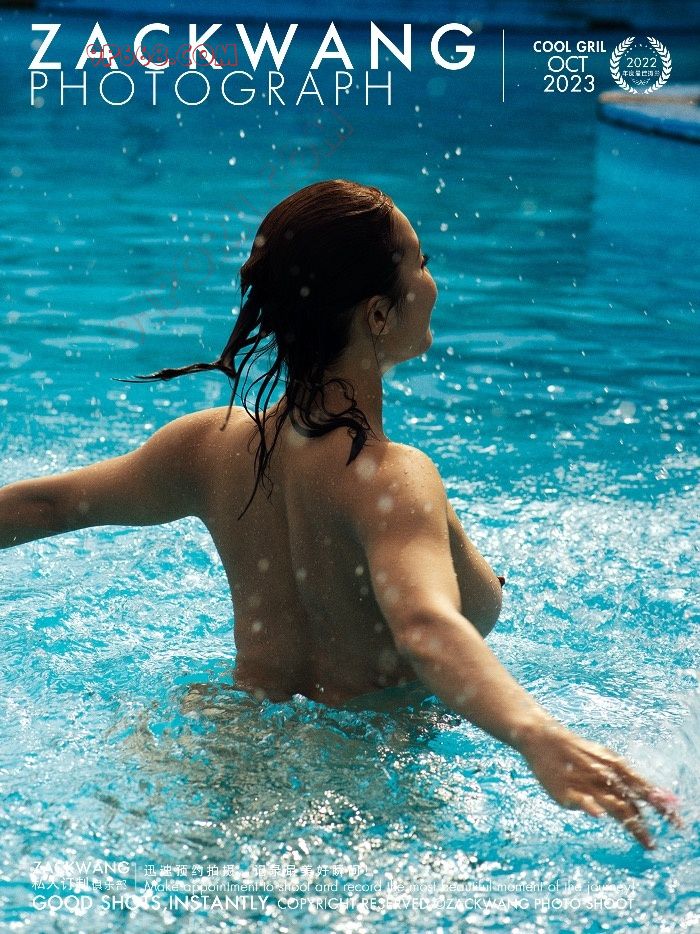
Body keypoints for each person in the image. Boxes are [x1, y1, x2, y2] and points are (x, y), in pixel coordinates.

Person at [0, 178, 681, 849]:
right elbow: (423, 626)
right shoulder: (393, 479)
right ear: (378, 315)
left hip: (227, 742)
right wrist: (538, 733)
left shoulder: (209, 447)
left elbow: (45, 504)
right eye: (422, 263)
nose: (433, 282)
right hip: (364, 781)